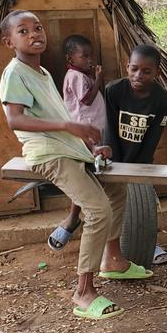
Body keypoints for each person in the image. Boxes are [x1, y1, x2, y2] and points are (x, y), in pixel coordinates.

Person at [0, 10, 152, 321]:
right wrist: (70, 126)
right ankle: (83, 292)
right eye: (23, 31)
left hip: (68, 150)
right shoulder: (14, 73)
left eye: (37, 28)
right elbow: (15, 119)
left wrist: (91, 147)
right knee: (97, 209)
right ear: (8, 42)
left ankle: (113, 261)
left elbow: (60, 121)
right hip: (49, 155)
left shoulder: (42, 73)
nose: (34, 34)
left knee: (116, 189)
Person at [103, 44, 167, 265]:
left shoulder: (161, 99)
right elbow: (109, 129)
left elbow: (153, 137)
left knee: (143, 204)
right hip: (113, 158)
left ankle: (147, 245)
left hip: (140, 160)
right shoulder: (114, 91)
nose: (138, 75)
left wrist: (140, 167)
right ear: (127, 67)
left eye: (146, 71)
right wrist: (116, 165)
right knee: (112, 204)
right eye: (134, 69)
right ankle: (110, 250)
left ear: (157, 72)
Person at [48, 35, 106, 250]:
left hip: (92, 132)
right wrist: (98, 78)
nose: (90, 60)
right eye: (84, 56)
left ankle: (80, 218)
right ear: (70, 58)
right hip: (85, 134)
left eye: (91, 56)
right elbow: (87, 100)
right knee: (88, 175)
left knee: (94, 174)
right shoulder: (75, 76)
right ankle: (79, 218)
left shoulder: (80, 75)